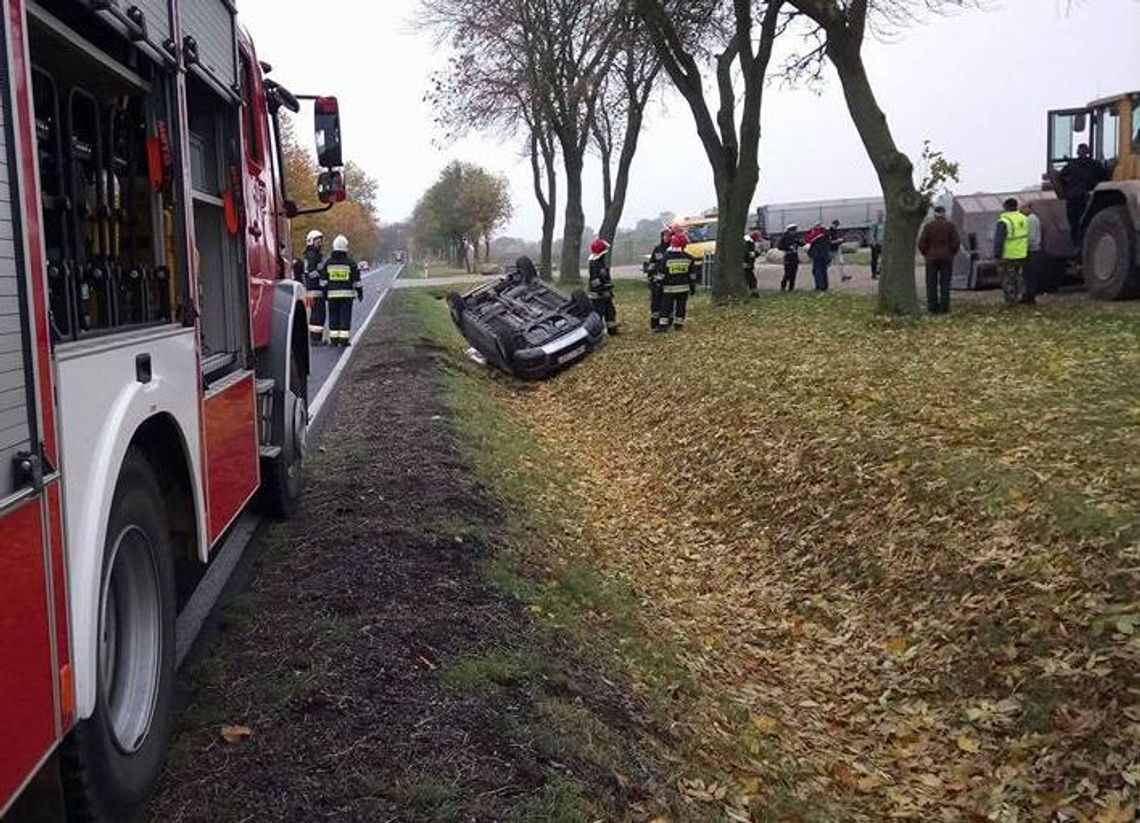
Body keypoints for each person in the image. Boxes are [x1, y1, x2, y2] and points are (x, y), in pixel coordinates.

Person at [1057, 143, 1106, 245]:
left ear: (1077, 152)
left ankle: (1077, 246)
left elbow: (1061, 178)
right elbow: (1104, 177)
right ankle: (1084, 244)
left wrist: (1067, 190)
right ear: (1088, 152)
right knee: (1086, 223)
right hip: (1087, 198)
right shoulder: (1095, 164)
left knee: (1074, 224)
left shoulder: (1070, 165)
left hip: (1073, 198)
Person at [319, 234, 363, 345]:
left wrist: (324, 294)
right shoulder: (350, 263)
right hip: (347, 296)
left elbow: (323, 281)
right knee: (345, 316)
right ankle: (344, 340)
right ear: (345, 247)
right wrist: (360, 292)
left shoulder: (328, 263)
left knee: (333, 317)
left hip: (332, 296)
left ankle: (334, 340)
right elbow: (356, 280)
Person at [917, 205, 960, 314]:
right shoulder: (950, 226)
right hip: (946, 257)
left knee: (931, 283)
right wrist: (951, 253)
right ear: (944, 213)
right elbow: (956, 242)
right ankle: (944, 307)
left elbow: (922, 243)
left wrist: (926, 253)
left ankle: (932, 307)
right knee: (945, 283)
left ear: (934, 214)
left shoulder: (928, 226)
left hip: (931, 257)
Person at [993, 197, 1031, 306]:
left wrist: (997, 254)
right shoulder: (1024, 218)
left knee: (1007, 279)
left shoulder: (1004, 221)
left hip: (1008, 255)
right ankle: (1021, 296)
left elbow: (999, 240)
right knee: (1019, 277)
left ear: (1006, 207)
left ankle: (1010, 301)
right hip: (1022, 253)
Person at [656, 231, 696, 331]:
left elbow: (661, 274)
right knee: (681, 307)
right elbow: (692, 275)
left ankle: (663, 326)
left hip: (669, 289)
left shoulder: (666, 257)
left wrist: (658, 284)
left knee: (666, 307)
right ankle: (678, 325)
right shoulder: (689, 258)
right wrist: (692, 287)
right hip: (684, 289)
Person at [588, 236, 618, 335]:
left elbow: (605, 277)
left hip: (605, 295)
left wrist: (608, 286)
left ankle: (612, 330)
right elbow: (595, 281)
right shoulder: (594, 264)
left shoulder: (601, 263)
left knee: (610, 312)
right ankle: (598, 333)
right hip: (598, 296)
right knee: (598, 315)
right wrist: (604, 288)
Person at [301, 229, 326, 344]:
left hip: (313, 289)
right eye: (317, 241)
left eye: (320, 241)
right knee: (318, 314)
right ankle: (315, 339)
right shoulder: (312, 256)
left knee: (318, 313)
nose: (320, 243)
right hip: (314, 289)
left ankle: (316, 338)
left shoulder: (312, 254)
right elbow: (311, 273)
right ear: (311, 242)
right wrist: (321, 271)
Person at [643, 228, 670, 329]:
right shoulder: (657, 249)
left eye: (668, 235)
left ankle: (665, 323)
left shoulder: (672, 249)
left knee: (666, 304)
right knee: (655, 303)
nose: (666, 237)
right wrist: (650, 276)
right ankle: (654, 323)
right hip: (656, 281)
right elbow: (652, 263)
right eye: (664, 235)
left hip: (668, 281)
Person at [1022, 201, 1046, 299]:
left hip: (1032, 249)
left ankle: (1030, 293)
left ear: (1029, 208)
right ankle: (1030, 292)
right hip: (1034, 248)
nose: (1021, 210)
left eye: (1024, 207)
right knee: (1031, 272)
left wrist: (1025, 246)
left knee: (1030, 272)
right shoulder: (1034, 218)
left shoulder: (1030, 219)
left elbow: (1031, 236)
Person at [804, 222, 830, 291]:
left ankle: (820, 286)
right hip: (824, 255)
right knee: (823, 271)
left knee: (817, 271)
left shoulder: (817, 234)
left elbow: (808, 239)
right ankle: (824, 286)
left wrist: (810, 232)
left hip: (818, 255)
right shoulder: (825, 233)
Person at [777, 224, 801, 291]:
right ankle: (783, 287)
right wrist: (787, 248)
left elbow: (800, 243)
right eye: (793, 230)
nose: (794, 232)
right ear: (789, 230)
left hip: (795, 256)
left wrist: (802, 243)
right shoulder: (784, 237)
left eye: (795, 230)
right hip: (788, 256)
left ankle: (791, 288)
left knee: (793, 274)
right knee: (787, 274)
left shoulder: (795, 237)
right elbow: (779, 246)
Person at [743, 232, 761, 297]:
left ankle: (752, 293)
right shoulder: (748, 243)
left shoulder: (747, 241)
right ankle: (753, 293)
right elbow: (748, 253)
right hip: (746, 264)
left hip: (747, 264)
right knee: (750, 279)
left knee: (750, 279)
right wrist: (756, 253)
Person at [869, 211, 885, 280]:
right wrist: (873, 241)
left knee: (884, 259)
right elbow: (872, 234)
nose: (880, 217)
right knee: (874, 259)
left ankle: (880, 271)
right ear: (877, 216)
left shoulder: (885, 224)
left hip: (883, 244)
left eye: (881, 215)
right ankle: (873, 274)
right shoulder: (874, 224)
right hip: (876, 244)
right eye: (879, 215)